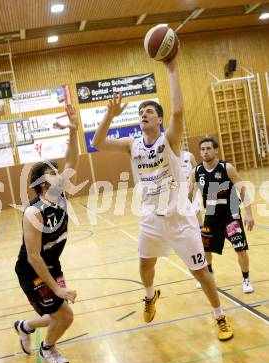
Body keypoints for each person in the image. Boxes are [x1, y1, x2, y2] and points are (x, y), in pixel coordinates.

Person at [92, 56, 233, 341]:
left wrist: (171, 69)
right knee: (145, 265)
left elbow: (178, 112)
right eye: (141, 112)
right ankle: (149, 295)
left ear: (158, 118)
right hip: (151, 217)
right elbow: (97, 143)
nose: (143, 114)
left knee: (201, 272)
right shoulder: (132, 145)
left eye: (149, 111)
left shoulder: (168, 141)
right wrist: (109, 115)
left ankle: (220, 316)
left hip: (180, 219)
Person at [14, 104, 79, 363]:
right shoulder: (33, 212)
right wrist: (58, 288)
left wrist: (74, 130)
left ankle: (24, 326)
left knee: (56, 314)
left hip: (52, 264)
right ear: (42, 184)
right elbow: (33, 257)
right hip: (33, 271)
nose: (59, 175)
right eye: (53, 173)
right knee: (64, 316)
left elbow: (73, 161)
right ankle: (47, 348)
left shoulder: (59, 194)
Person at [189, 136, 254, 293]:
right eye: (202, 149)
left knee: (240, 248)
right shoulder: (196, 171)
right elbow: (189, 194)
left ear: (216, 150)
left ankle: (246, 279)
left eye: (208, 148)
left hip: (231, 215)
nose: (205, 152)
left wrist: (249, 214)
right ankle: (209, 272)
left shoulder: (227, 168)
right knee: (206, 249)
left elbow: (242, 189)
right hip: (211, 215)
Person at [180, 149, 203, 226]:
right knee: (182, 213)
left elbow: (197, 171)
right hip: (178, 189)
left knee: (197, 211)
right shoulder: (171, 157)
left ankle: (201, 231)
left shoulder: (189, 155)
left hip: (191, 186)